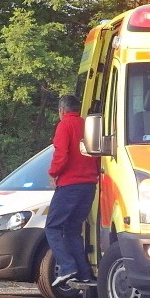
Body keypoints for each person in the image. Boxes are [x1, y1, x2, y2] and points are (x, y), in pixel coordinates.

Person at [46, 95, 101, 287]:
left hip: (69, 185)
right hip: (89, 185)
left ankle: (67, 267)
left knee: (52, 226)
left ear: (61, 110)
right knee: (72, 229)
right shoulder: (88, 125)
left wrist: (53, 173)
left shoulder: (65, 125)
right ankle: (85, 274)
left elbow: (61, 154)